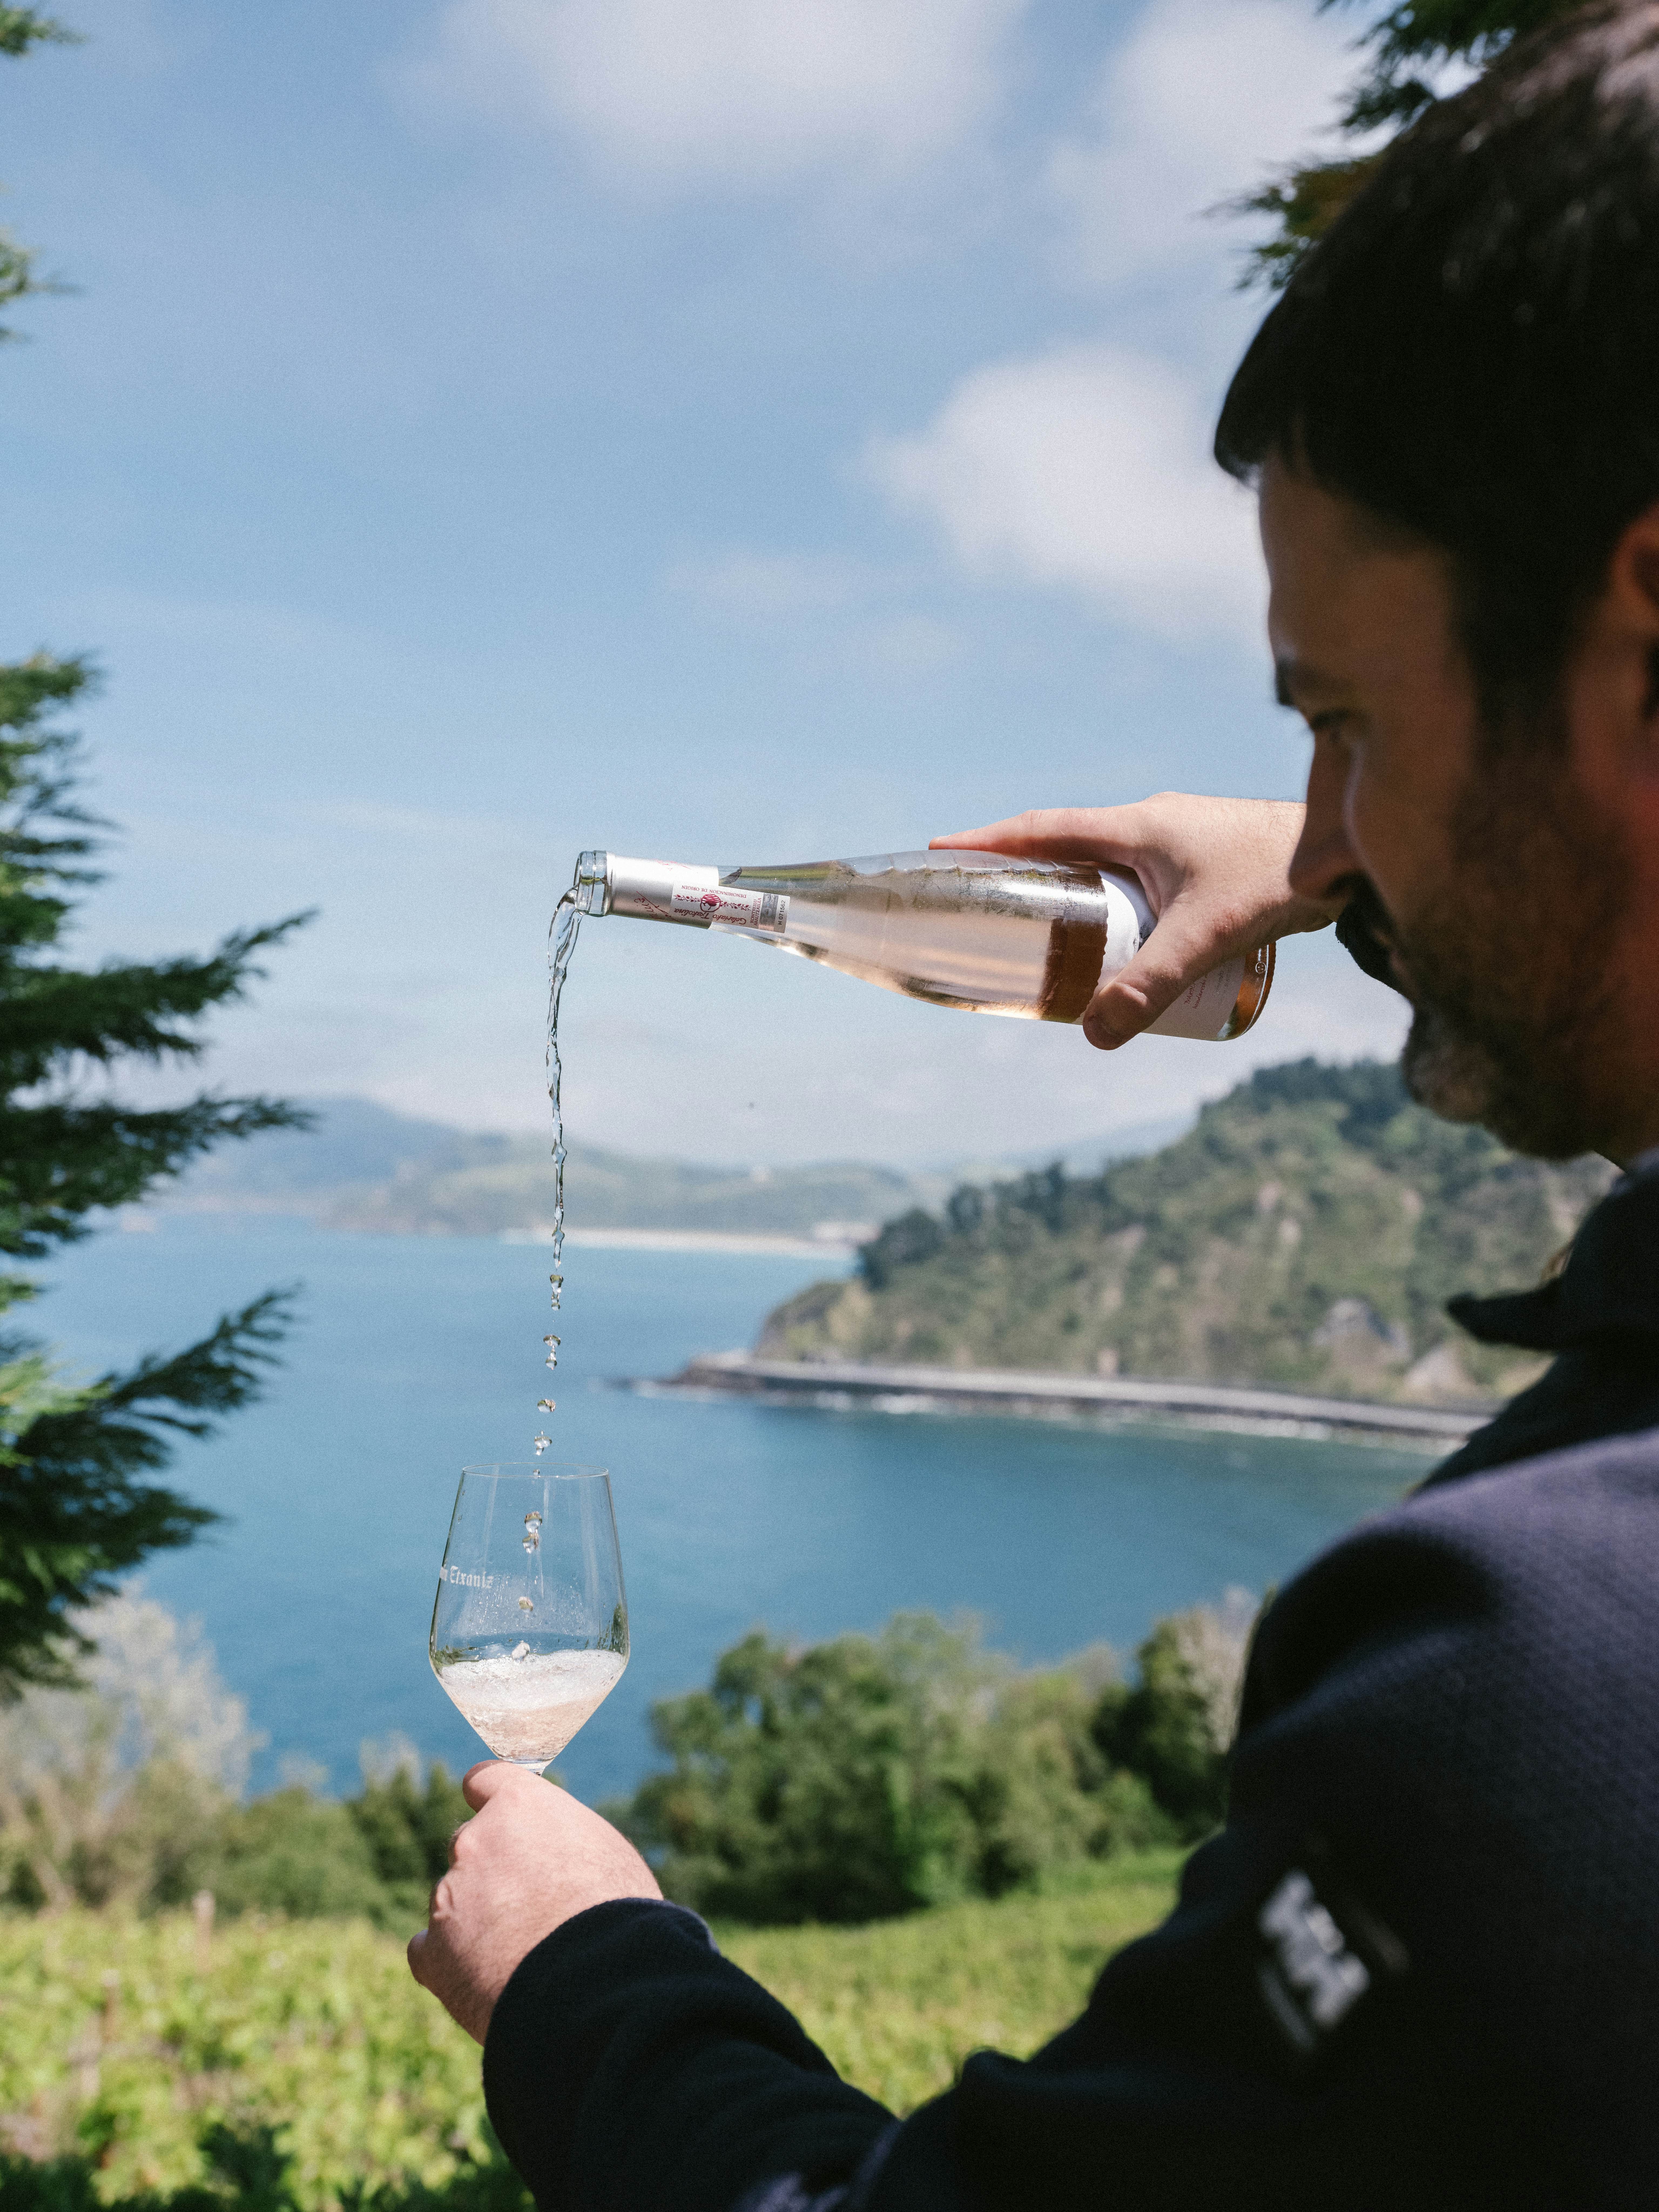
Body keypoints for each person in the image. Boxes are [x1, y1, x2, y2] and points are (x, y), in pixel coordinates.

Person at [407, 9, 1659, 2204]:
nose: (1315, 814)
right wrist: (1355, 857)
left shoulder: (1541, 1671)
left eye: (1345, 718)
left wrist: (588, 1973)